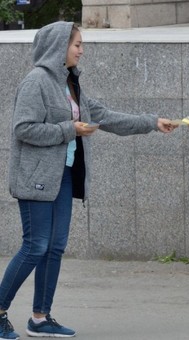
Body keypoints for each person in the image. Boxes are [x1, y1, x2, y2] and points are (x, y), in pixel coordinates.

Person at [0, 21, 176, 340]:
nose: (82, 49)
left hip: (64, 176)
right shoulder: (36, 81)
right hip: (36, 179)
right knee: (35, 245)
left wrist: (152, 122)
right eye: (77, 44)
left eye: (81, 44)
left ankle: (40, 318)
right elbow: (23, 129)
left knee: (55, 247)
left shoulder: (71, 84)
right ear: (58, 46)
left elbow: (105, 116)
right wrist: (71, 129)